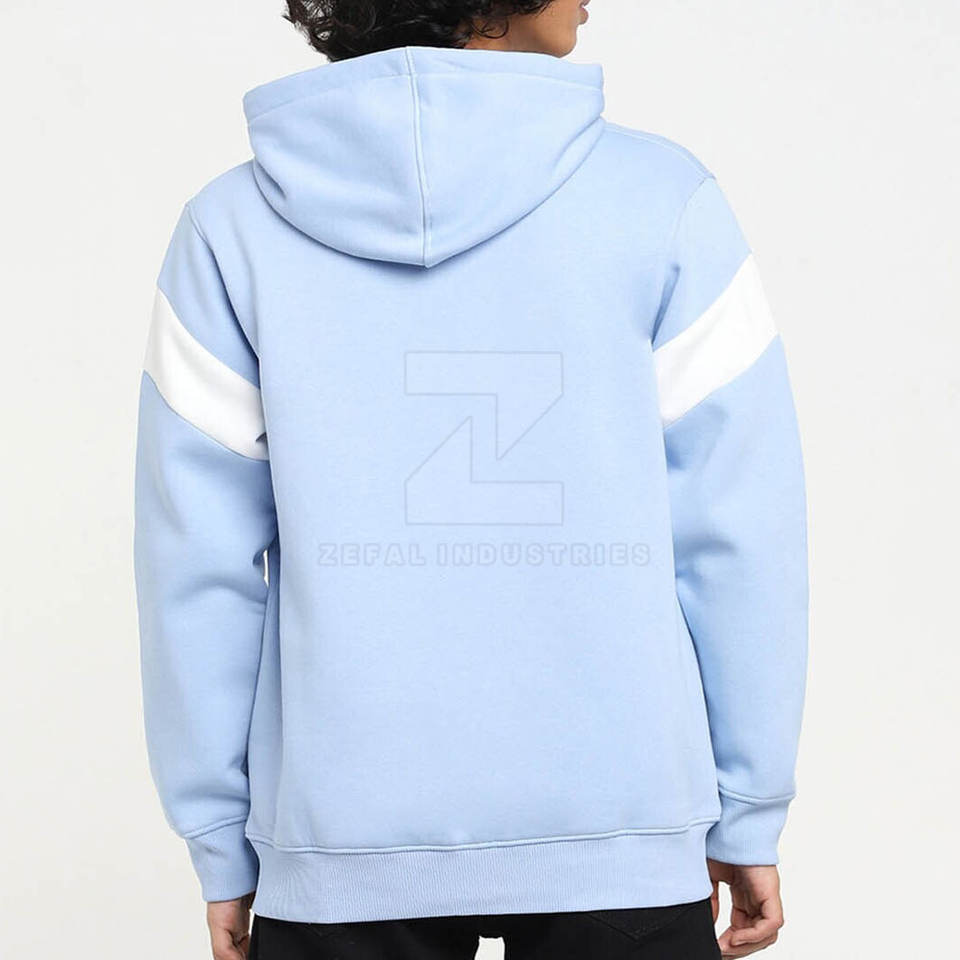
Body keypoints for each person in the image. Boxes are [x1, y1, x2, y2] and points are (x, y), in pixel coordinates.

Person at [133, 2, 808, 958]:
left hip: (338, 836)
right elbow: (740, 536)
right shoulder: (664, 200)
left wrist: (219, 838)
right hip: (621, 825)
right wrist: (745, 806)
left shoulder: (229, 226)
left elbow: (195, 569)